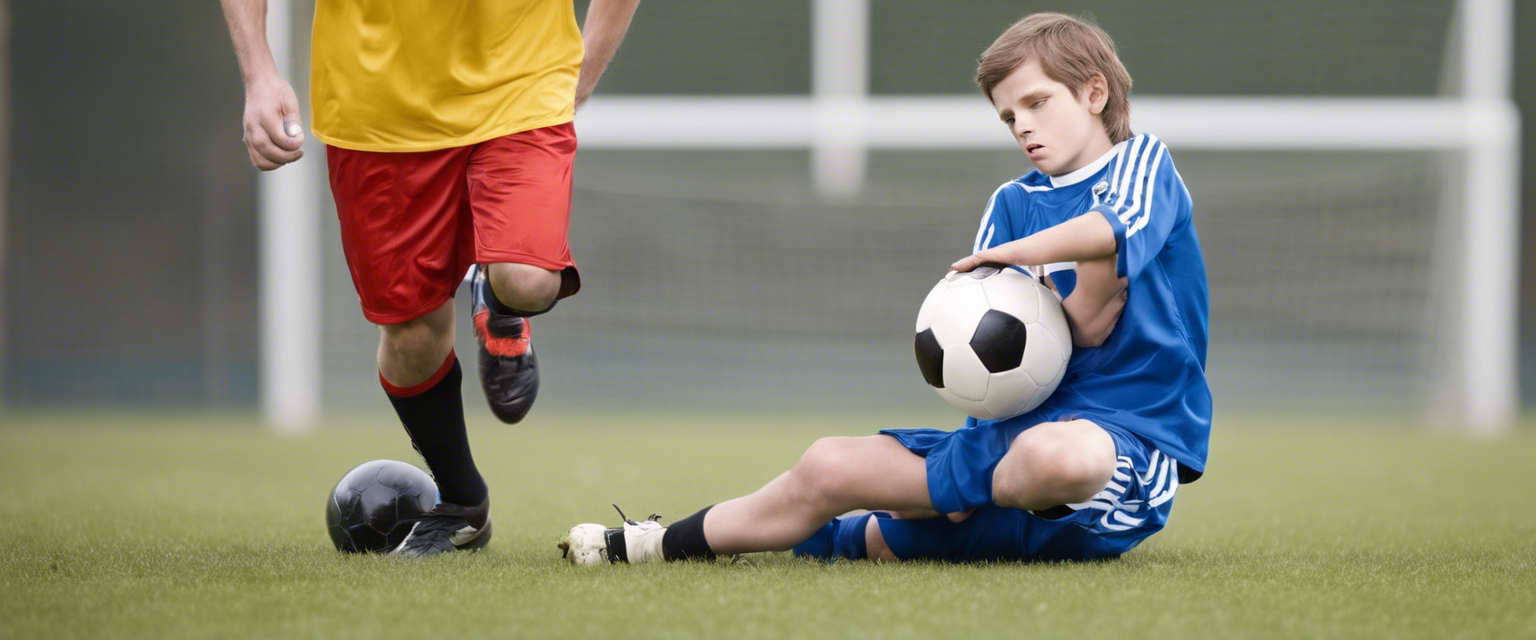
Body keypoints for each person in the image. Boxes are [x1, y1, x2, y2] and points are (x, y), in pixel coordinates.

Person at [559, 12, 1210, 565]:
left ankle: (942, 499)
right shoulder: (1012, 202)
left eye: (1038, 102)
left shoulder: (1140, 165)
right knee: (826, 470)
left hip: (1112, 460)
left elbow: (1103, 246)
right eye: (1009, 116)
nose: (1023, 127)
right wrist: (966, 460)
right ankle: (646, 544)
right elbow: (1006, 359)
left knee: (1055, 460)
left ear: (1094, 93)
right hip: (1004, 461)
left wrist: (1015, 256)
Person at [221, 0, 641, 557]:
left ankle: (498, 300)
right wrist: (260, 73)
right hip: (375, 111)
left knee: (530, 279)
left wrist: (580, 76)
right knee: (412, 338)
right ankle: (464, 503)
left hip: (521, 82)